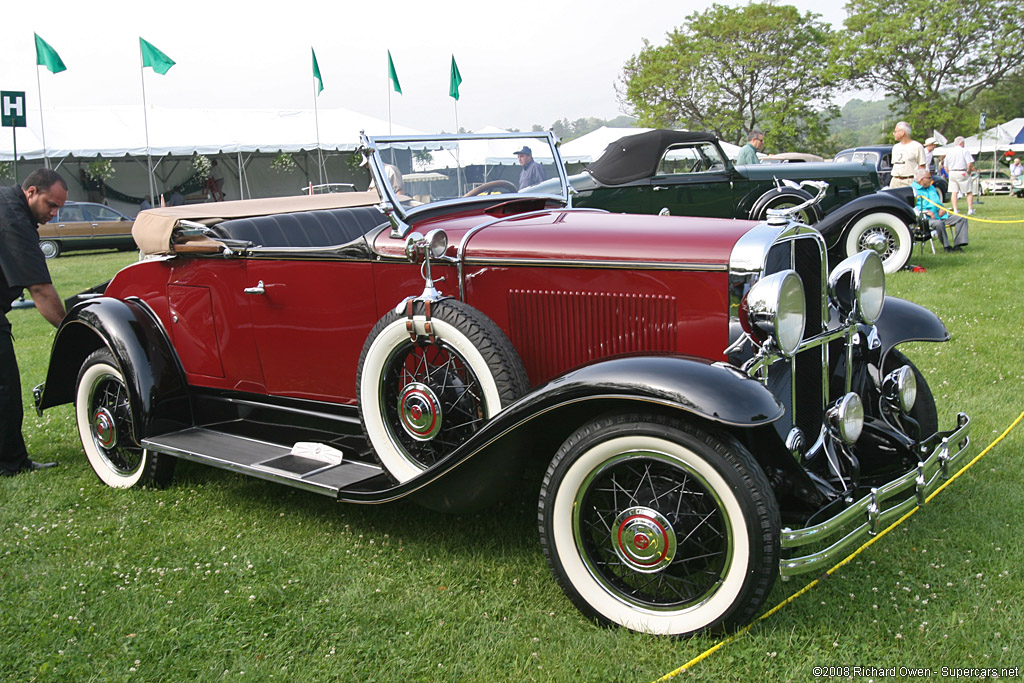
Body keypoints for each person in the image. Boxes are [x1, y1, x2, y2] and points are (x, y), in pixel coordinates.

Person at [0, 169, 68, 477]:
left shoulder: (8, 205)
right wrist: (74, 333)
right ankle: (10, 462)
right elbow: (40, 290)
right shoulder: (14, 221)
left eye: (59, 209)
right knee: (5, 388)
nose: (53, 214)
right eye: (50, 205)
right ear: (30, 193)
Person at [912, 168, 968, 252]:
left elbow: (937, 201)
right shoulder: (913, 191)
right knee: (939, 224)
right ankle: (947, 247)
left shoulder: (932, 188)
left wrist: (941, 208)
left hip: (940, 215)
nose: (931, 179)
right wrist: (926, 211)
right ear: (921, 179)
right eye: (929, 178)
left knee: (961, 219)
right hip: (926, 219)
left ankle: (958, 245)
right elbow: (912, 207)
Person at [943, 136, 976, 215]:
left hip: (952, 172)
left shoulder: (949, 152)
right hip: (962, 171)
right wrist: (969, 172)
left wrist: (948, 173)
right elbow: (969, 163)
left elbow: (945, 166)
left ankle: (955, 209)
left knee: (954, 192)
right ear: (961, 143)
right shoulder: (964, 151)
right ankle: (970, 209)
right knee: (968, 191)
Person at [889, 121, 926, 189]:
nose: (893, 133)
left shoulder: (917, 146)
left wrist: (920, 181)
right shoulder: (895, 147)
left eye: (895, 131)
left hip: (910, 180)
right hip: (895, 180)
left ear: (902, 132)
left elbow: (922, 166)